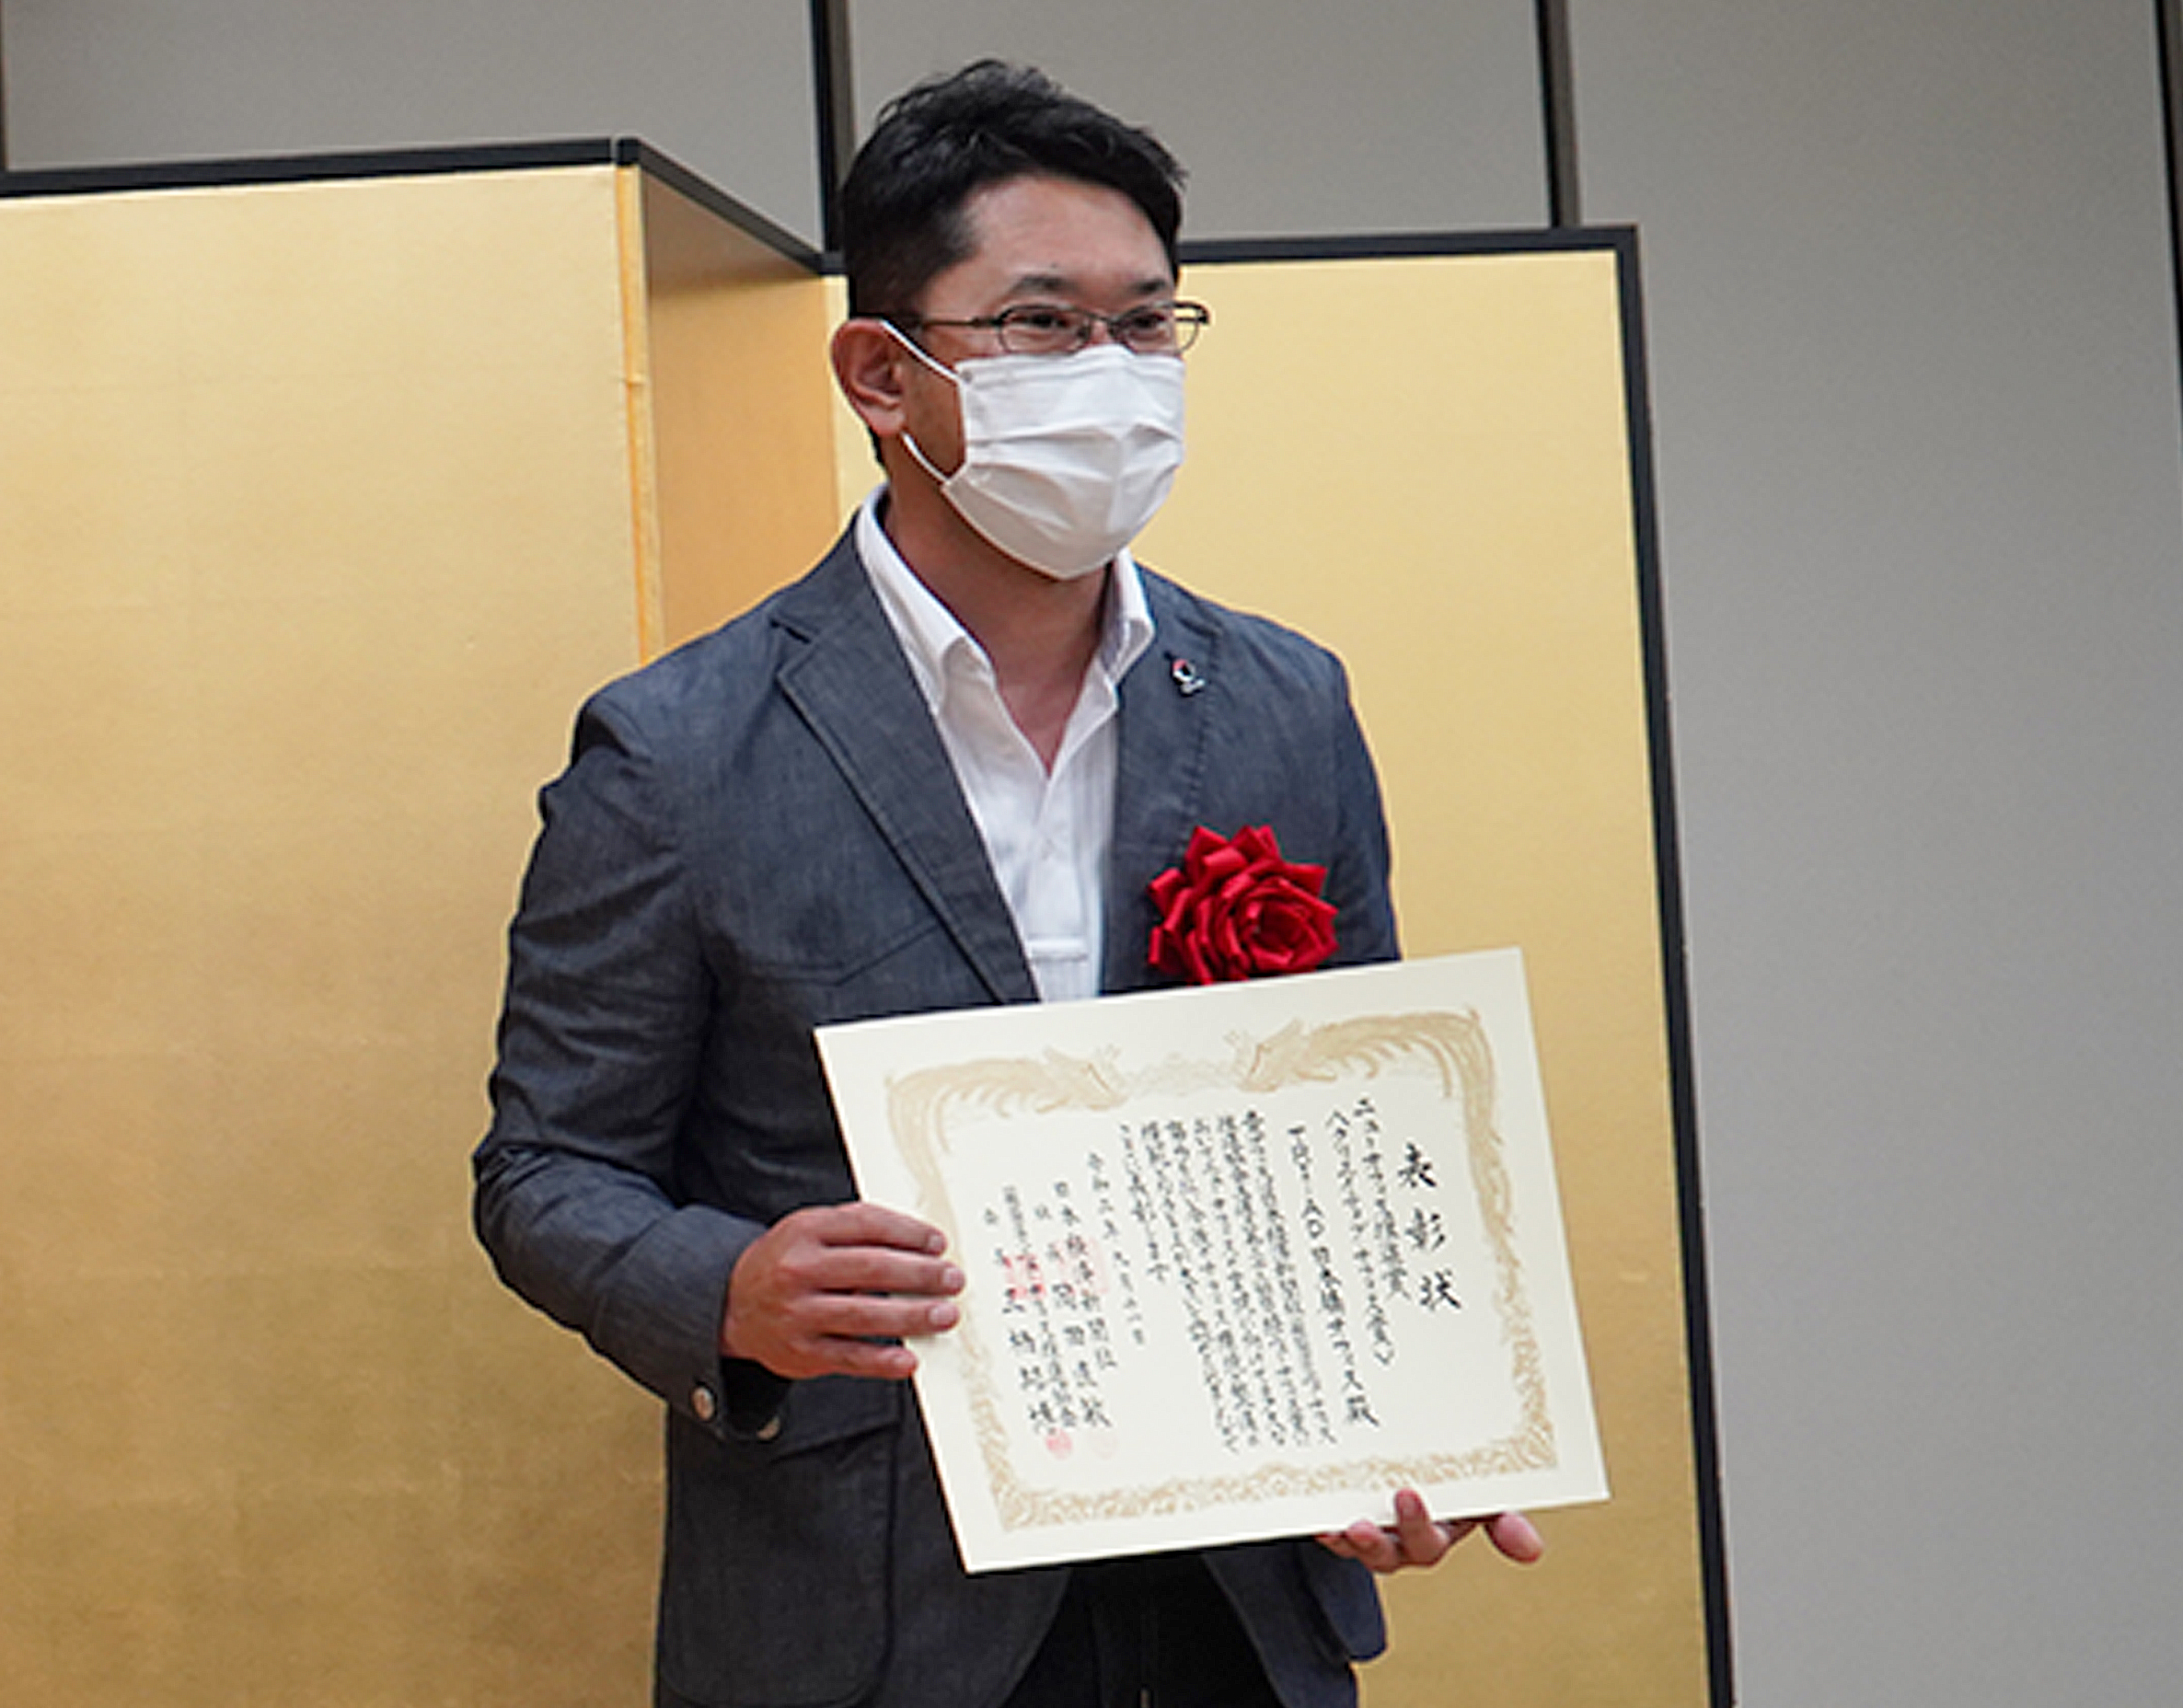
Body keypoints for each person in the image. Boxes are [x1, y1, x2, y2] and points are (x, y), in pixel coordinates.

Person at [473, 59, 1542, 1708]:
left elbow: (1356, 1116)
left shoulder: (1283, 705)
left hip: (1236, 1600)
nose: (1109, 375)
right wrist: (733, 1294)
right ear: (881, 374)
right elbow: (547, 1170)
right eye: (1042, 325)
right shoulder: (680, 750)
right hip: (868, 1602)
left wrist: (1411, 1432)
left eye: (1147, 325)